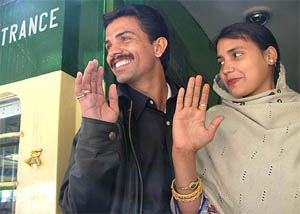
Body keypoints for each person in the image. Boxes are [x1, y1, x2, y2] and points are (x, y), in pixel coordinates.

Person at [59, 4, 181, 213]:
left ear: (158, 47)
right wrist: (96, 131)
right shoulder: (106, 123)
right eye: (108, 46)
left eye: (125, 38)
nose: (113, 53)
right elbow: (76, 208)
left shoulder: (190, 109)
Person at [171, 23, 300, 214]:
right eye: (221, 61)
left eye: (236, 55)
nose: (226, 69)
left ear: (270, 56)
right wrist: (183, 154)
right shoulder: (213, 122)